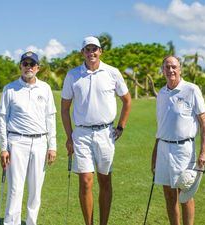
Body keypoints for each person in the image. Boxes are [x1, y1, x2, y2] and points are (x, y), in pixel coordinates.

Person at [61, 36, 131, 225]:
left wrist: (121, 126)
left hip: (106, 133)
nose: (91, 53)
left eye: (95, 49)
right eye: (87, 49)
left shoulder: (112, 72)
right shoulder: (73, 75)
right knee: (85, 181)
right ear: (82, 52)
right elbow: (65, 108)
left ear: (101, 51)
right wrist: (69, 137)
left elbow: (127, 100)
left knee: (105, 180)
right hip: (81, 134)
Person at [0, 51, 57, 225]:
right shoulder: (9, 89)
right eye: (25, 64)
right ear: (20, 66)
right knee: (15, 189)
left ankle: (31, 222)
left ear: (38, 68)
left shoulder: (45, 88)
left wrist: (52, 146)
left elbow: (50, 118)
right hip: (17, 142)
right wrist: (3, 148)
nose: (28, 67)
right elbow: (2, 119)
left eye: (32, 64)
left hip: (40, 142)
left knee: (35, 189)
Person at [151, 56, 205, 225]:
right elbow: (161, 127)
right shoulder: (161, 93)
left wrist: (204, 151)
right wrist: (155, 153)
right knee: (168, 194)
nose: (171, 70)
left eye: (174, 67)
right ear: (163, 70)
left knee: (185, 194)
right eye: (167, 67)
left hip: (184, 150)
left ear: (180, 69)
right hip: (163, 149)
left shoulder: (191, 90)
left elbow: (204, 122)